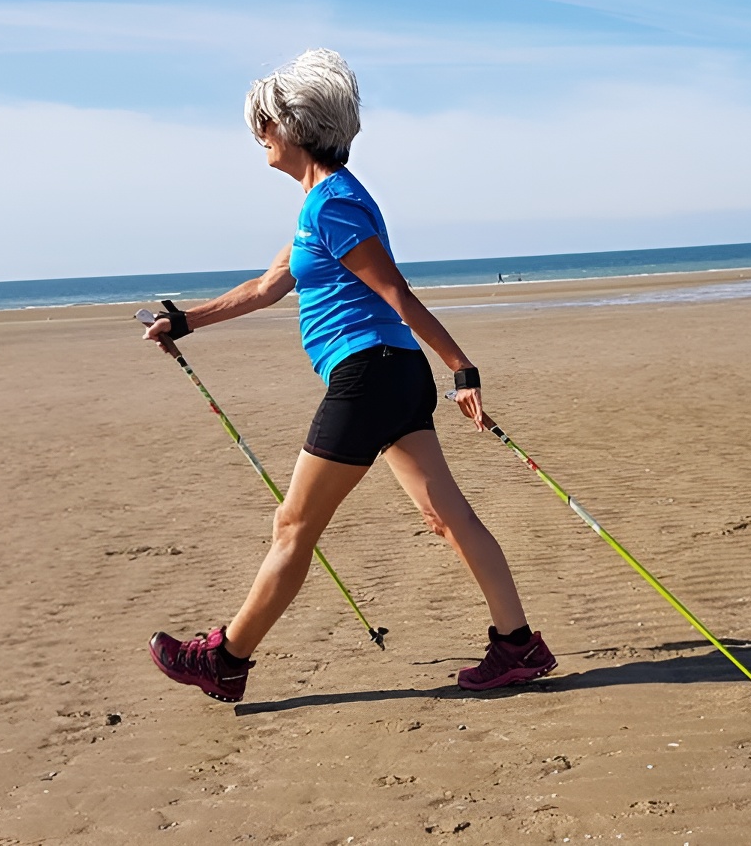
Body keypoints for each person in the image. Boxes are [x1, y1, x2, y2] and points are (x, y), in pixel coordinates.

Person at [143, 49, 555, 703]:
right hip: (391, 375)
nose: (259, 138)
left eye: (264, 126)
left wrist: (462, 368)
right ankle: (518, 644)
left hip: (369, 376)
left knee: (294, 526)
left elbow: (396, 292)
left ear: (293, 127)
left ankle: (225, 658)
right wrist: (185, 322)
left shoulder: (333, 204)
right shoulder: (322, 204)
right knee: (445, 516)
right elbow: (268, 286)